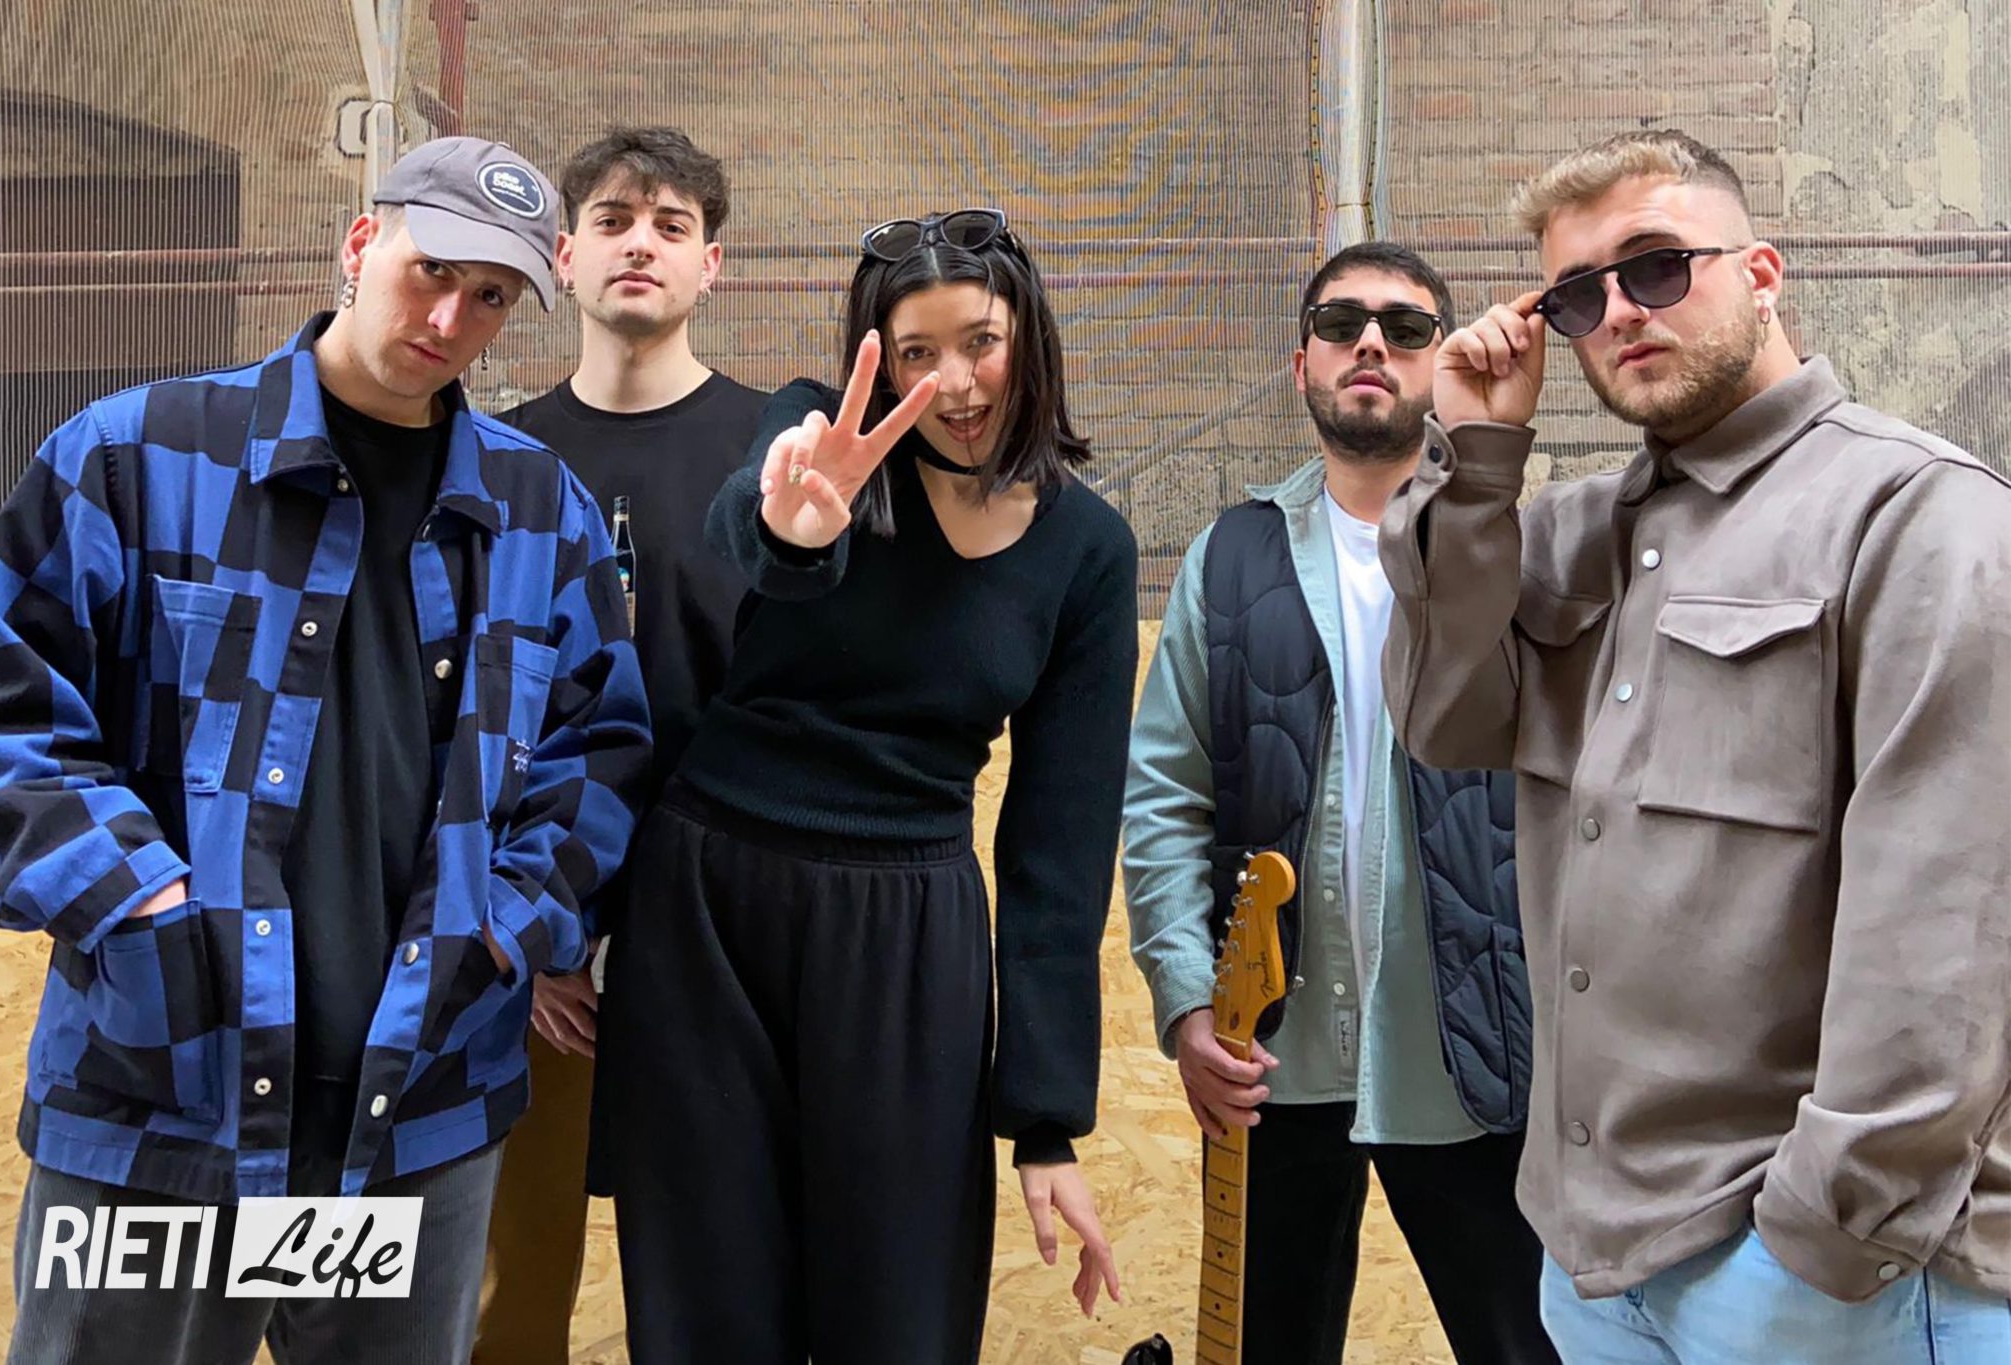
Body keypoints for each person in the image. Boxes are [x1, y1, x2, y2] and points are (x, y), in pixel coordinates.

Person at [0, 135, 652, 1365]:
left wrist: (505, 926)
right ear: (359, 242)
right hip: (162, 1105)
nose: (449, 318)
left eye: (491, 296)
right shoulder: (134, 457)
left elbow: (597, 750)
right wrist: (143, 907)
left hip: (415, 1120)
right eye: (430, 270)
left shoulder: (538, 511)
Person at [1380, 127, 2011, 1362]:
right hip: (1592, 1264)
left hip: (1824, 1282)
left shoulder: (1918, 517)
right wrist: (1475, 464)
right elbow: (1446, 721)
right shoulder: (1567, 537)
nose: (1617, 311)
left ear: (1760, 273)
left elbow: (1950, 930)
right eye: (1574, 297)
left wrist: (1816, 1243)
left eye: (1656, 266)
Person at [595, 208, 1137, 1364]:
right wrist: (794, 527)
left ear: (1029, 339)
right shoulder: (816, 431)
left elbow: (1058, 842)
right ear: (875, 364)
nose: (955, 384)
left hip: (906, 932)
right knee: (706, 1303)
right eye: (916, 354)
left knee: (898, 1310)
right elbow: (756, 526)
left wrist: (1045, 1121)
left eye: (979, 343)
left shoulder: (1087, 550)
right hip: (710, 904)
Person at [1122, 241, 1557, 1364]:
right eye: (1340, 323)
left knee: (1525, 1343)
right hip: (1272, 1052)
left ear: (1439, 364)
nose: (1370, 343)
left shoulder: (1515, 549)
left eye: (1405, 328)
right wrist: (1186, 1000)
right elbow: (1164, 794)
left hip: (1474, 1045)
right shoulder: (1229, 557)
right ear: (1301, 362)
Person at [473, 124, 767, 1365]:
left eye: (671, 225)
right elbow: (466, 721)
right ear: (562, 255)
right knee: (509, 1291)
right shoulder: (491, 459)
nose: (639, 244)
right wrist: (542, 931)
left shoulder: (777, 452)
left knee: (713, 1284)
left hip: (726, 941)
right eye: (610, 220)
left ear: (711, 265)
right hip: (528, 950)